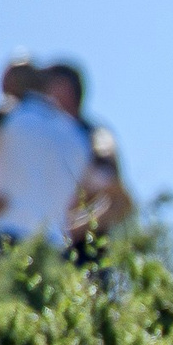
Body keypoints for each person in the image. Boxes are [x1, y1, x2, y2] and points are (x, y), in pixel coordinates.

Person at [0, 57, 87, 249]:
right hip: (54, 245)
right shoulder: (75, 132)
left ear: (10, 85)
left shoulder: (6, 114)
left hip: (2, 237)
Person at [38, 62, 133, 245]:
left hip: (84, 244)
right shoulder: (42, 137)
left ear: (66, 89)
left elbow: (112, 187)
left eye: (47, 85)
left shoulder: (94, 135)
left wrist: (72, 227)